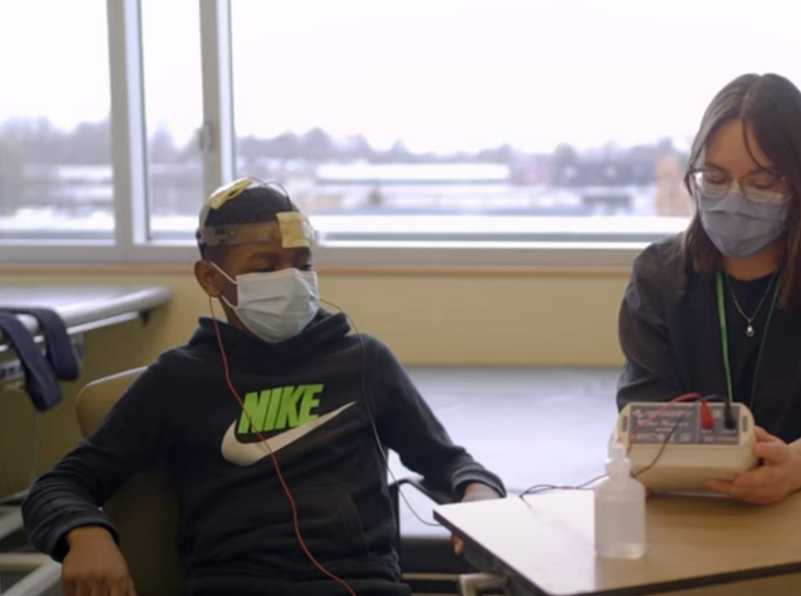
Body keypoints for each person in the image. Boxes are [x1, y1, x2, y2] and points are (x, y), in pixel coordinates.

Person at [22, 179, 505, 596]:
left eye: (301, 261)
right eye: (263, 265)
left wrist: (478, 493)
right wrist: (84, 533)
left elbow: (451, 464)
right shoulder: (180, 379)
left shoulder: (364, 361)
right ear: (211, 278)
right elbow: (60, 485)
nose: (290, 278)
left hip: (364, 585)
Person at [616, 73, 801, 506]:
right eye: (714, 177)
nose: (733, 198)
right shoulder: (658, 277)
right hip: (698, 512)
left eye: (762, 183)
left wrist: (797, 464)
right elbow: (641, 428)